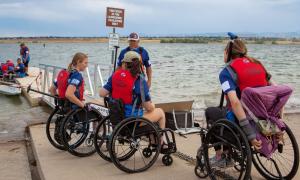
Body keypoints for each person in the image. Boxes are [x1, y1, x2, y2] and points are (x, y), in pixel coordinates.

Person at [213, 35, 277, 166]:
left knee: (209, 114)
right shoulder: (258, 64)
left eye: (224, 51)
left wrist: (250, 135)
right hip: (263, 115)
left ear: (228, 52)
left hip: (242, 119)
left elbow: (235, 102)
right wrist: (278, 124)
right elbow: (276, 90)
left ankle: (220, 156)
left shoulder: (226, 72)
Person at [100, 51, 166, 145]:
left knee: (146, 113)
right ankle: (160, 142)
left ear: (124, 64)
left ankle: (154, 140)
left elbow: (102, 93)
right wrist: (153, 105)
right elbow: (148, 107)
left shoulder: (115, 76)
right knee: (160, 112)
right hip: (131, 122)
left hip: (116, 118)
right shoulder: (140, 81)